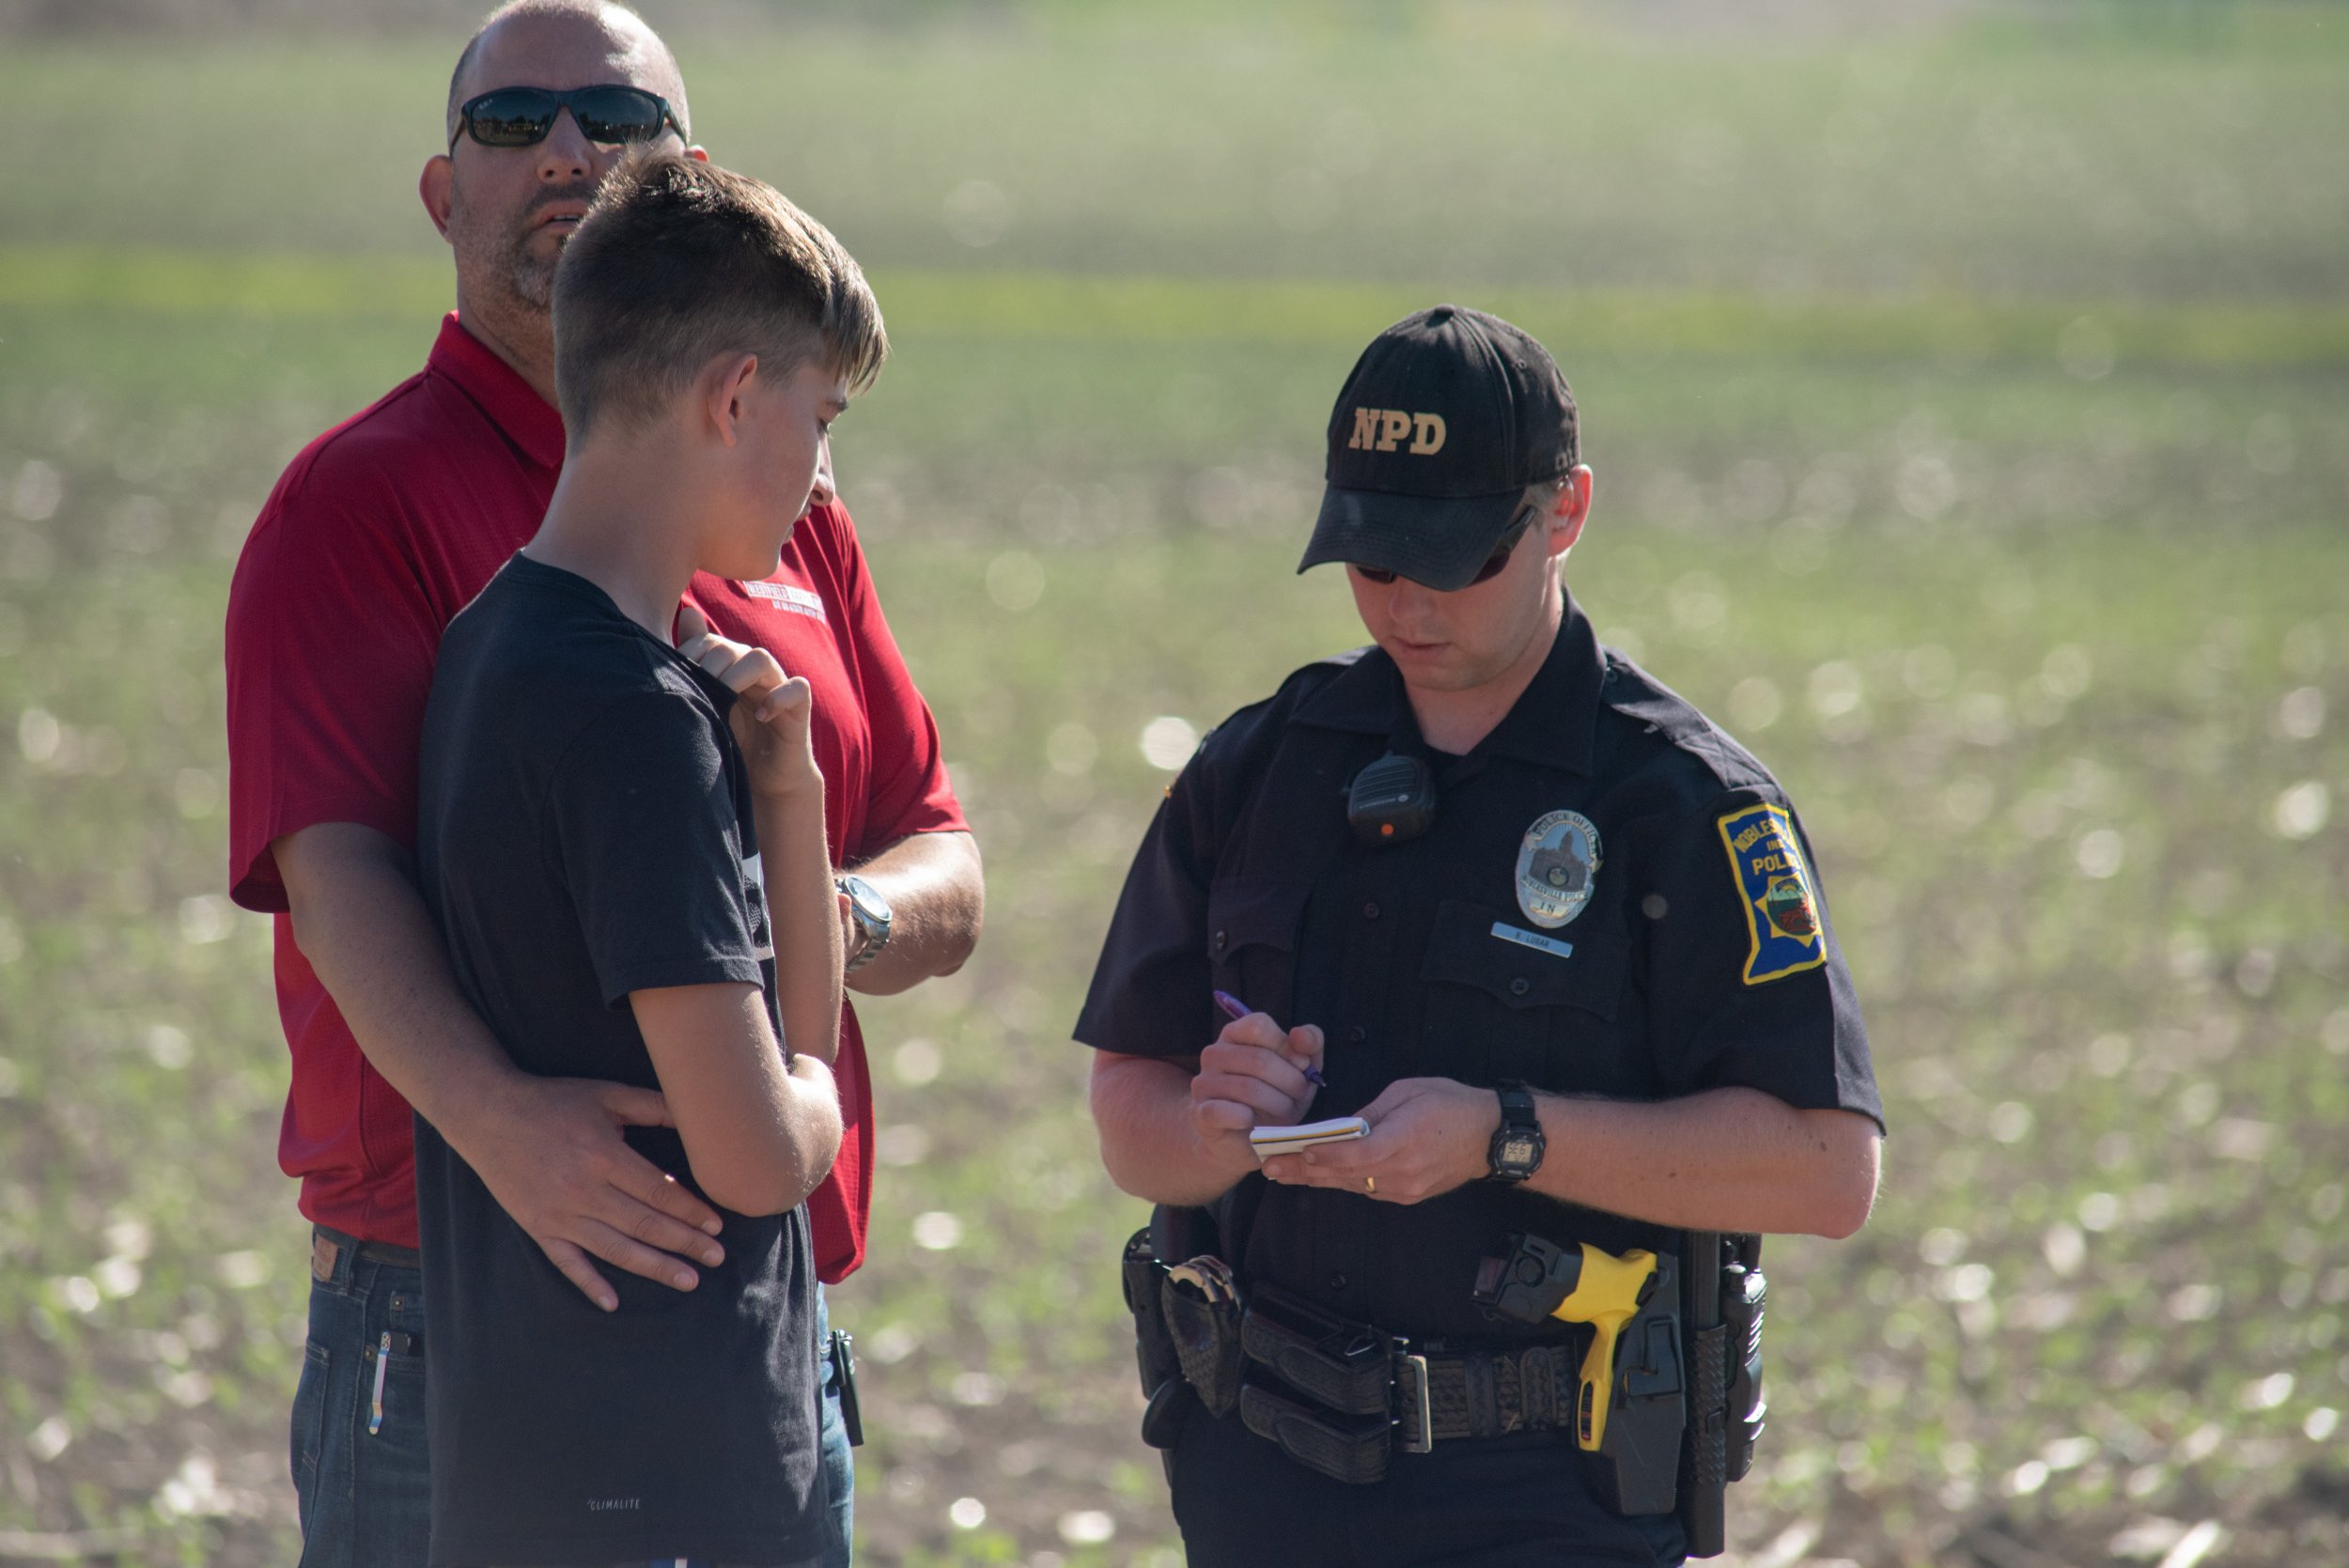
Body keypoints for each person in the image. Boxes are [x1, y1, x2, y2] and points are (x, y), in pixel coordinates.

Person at [222, 4, 979, 1561]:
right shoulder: (363, 505)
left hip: (757, 1315)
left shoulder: (786, 506)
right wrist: (498, 1118)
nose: (569, 151)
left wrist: (793, 919)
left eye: (612, 121)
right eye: (515, 126)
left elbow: (936, 846)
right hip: (468, 1294)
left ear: (680, 186)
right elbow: (334, 866)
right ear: (446, 196)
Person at [1077, 305, 1885, 1567]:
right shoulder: (1258, 767)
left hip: (1544, 1497)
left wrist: (1505, 1135)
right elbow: (1131, 1105)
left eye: (1454, 558)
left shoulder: (1682, 806)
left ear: (1564, 513)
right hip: (1258, 1478)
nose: (1406, 601)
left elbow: (1827, 1170)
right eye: (1372, 557)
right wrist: (1207, 1126)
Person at [414, 148, 868, 1568]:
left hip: (532, 1450)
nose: (823, 473)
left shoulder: (498, 640)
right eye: (822, 416)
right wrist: (822, 1109)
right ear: (735, 396)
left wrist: (782, 786)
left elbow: (791, 1017)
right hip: (672, 1479)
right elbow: (755, 1148)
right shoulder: (630, 719)